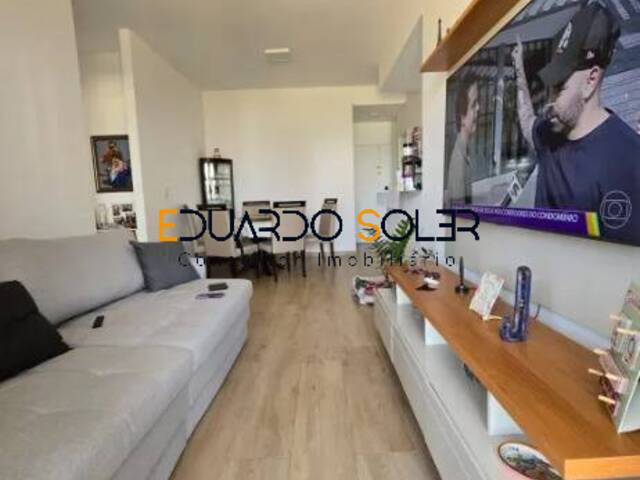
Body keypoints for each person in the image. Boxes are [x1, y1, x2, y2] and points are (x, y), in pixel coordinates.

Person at [513, 2, 640, 244]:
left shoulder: (629, 159)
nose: (550, 101)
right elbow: (528, 122)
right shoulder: (550, 130)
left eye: (560, 87)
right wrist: (519, 71)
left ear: (591, 80)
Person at [447, 73, 480, 206]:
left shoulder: (465, 152)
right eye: (473, 104)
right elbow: (459, 212)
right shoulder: (458, 161)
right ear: (462, 116)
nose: (478, 108)